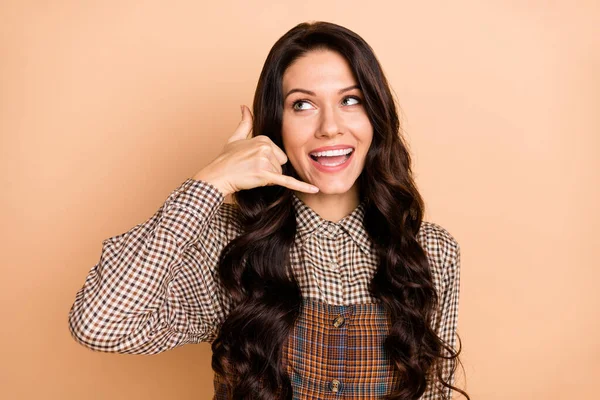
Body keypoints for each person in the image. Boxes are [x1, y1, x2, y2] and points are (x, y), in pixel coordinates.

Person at [68, 21, 470, 400]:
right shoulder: (229, 241)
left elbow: (433, 392)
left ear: (376, 118)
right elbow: (100, 325)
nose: (330, 127)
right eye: (302, 105)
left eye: (351, 100)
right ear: (275, 125)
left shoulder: (430, 251)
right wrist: (211, 182)